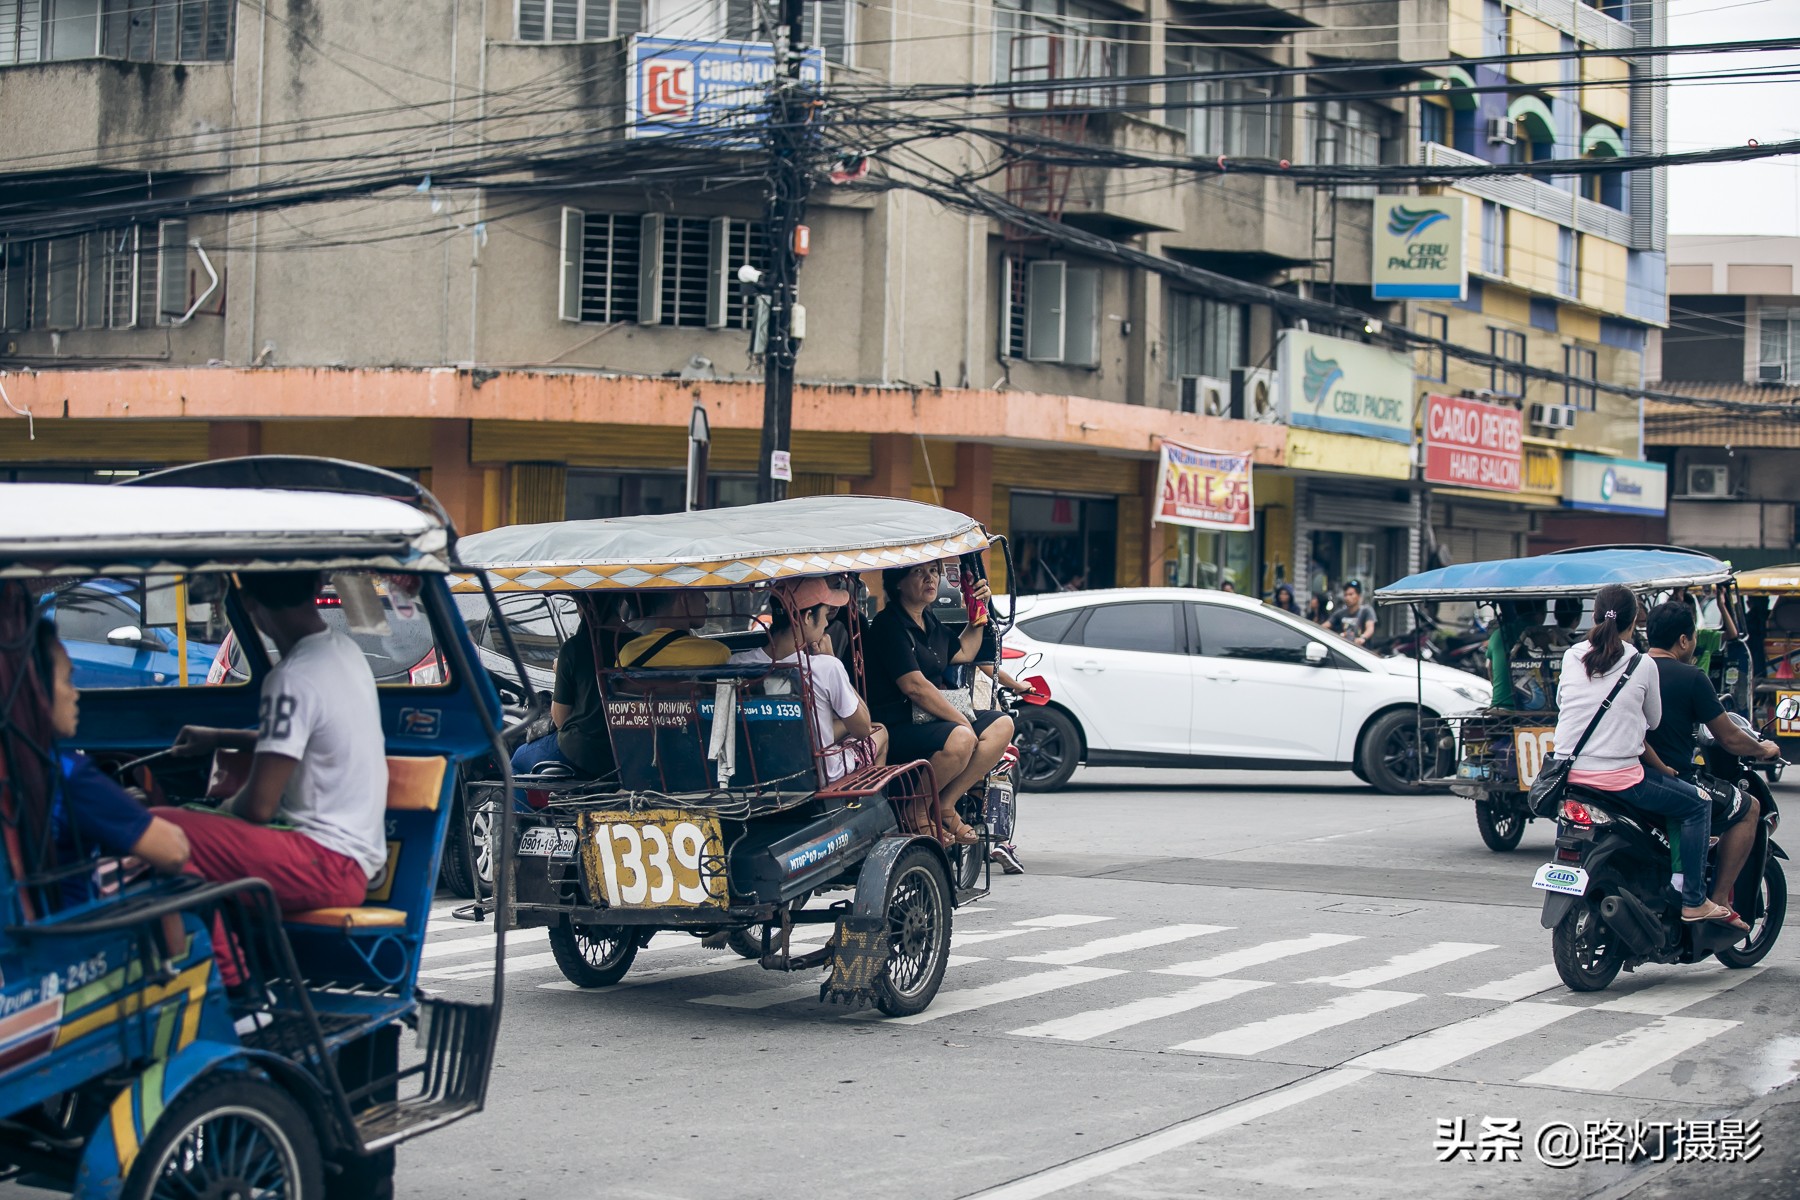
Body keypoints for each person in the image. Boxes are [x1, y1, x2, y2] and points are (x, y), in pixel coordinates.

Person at [168, 571, 390, 919]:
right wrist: (219, 737)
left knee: (159, 829)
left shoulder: (292, 677)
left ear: (247, 602)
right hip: (353, 861)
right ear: (316, 586)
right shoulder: (344, 652)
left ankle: (218, 955)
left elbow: (259, 806)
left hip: (324, 862)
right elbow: (309, 744)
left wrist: (220, 812)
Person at [1551, 584, 1741, 928]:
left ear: (1595, 616)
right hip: (1622, 781)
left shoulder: (1571, 656)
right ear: (1634, 621)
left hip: (1569, 774)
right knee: (1698, 804)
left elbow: (1563, 704)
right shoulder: (1641, 663)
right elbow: (1652, 721)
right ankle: (1694, 900)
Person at [38, 619, 191, 905]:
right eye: (67, 680)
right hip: (80, 925)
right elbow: (174, 851)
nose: (75, 694)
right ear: (37, 690)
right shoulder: (67, 773)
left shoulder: (20, 764)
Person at [1643, 601, 1778, 913]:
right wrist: (1764, 749)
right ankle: (1715, 901)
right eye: (1693, 637)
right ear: (1684, 640)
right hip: (1672, 777)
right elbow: (1729, 737)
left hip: (1632, 775)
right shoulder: (1691, 677)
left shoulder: (1631, 669)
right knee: (1749, 807)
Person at [866, 561, 1011, 846]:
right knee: (962, 737)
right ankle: (916, 810)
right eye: (919, 572)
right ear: (898, 583)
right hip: (898, 723)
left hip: (929, 719)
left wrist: (978, 611)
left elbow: (965, 651)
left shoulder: (929, 621)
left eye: (933, 572)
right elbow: (915, 687)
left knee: (1002, 725)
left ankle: (945, 803)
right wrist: (961, 720)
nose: (930, 579)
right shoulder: (889, 625)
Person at [729, 577, 887, 783]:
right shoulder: (826, 666)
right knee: (880, 732)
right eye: (824, 615)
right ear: (807, 617)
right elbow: (863, 728)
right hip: (819, 776)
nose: (827, 623)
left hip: (759, 772)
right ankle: (865, 800)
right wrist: (832, 659)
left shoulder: (737, 663)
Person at [616, 591, 731, 668]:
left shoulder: (628, 652)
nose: (707, 600)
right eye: (701, 592)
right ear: (685, 599)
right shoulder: (716, 653)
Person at [1486, 600, 1545, 709]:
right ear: (1540, 613)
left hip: (1500, 705)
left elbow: (1490, 670)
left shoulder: (1498, 634)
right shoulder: (1543, 635)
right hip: (1534, 709)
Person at [1327, 580, 1376, 647]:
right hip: (1344, 648)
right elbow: (1325, 626)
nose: (1347, 598)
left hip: (1361, 649)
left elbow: (1370, 628)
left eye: (1351, 594)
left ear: (1358, 596)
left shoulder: (1366, 610)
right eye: (1345, 595)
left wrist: (1362, 638)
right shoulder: (1340, 613)